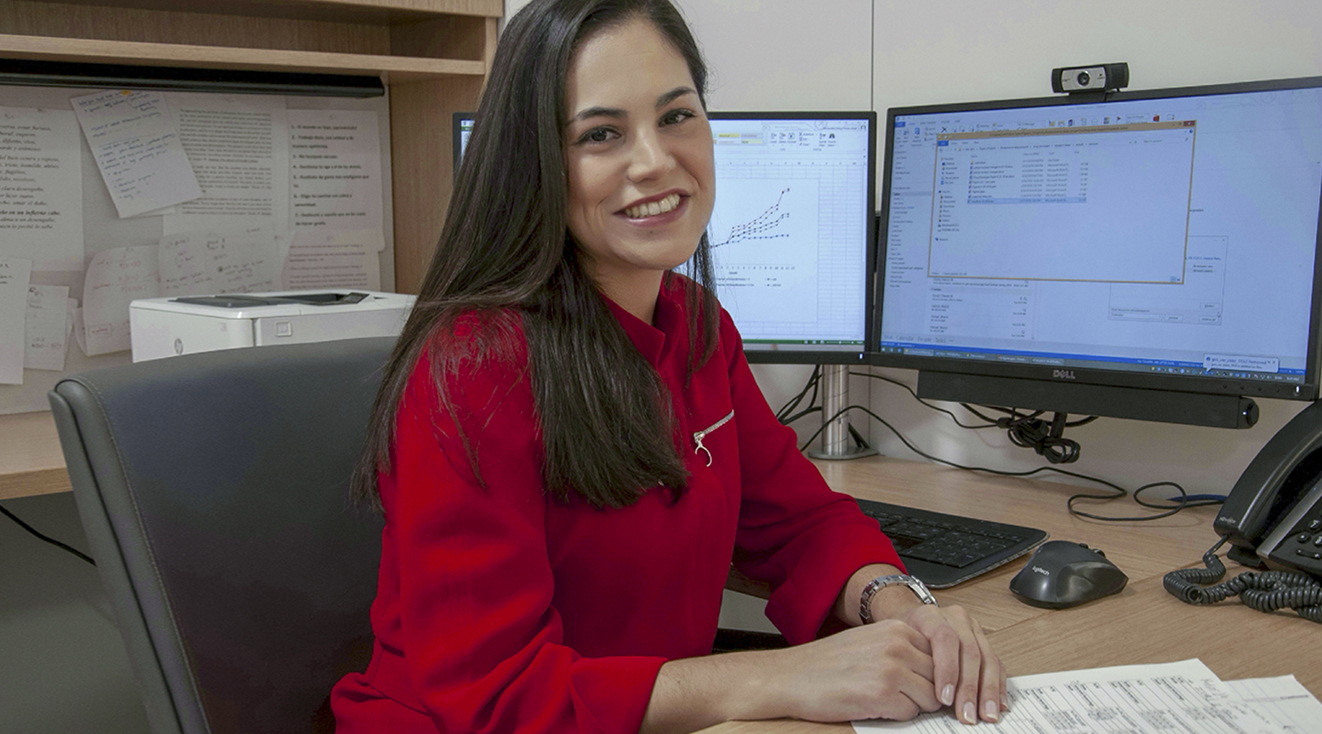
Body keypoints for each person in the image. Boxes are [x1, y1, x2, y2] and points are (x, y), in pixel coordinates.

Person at [331, 0, 1005, 731]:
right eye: (600, 134)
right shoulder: (474, 370)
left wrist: (902, 608)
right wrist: (779, 676)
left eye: (677, 115)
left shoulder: (697, 326)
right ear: (536, 162)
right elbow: (496, 693)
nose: (655, 160)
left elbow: (798, 523)